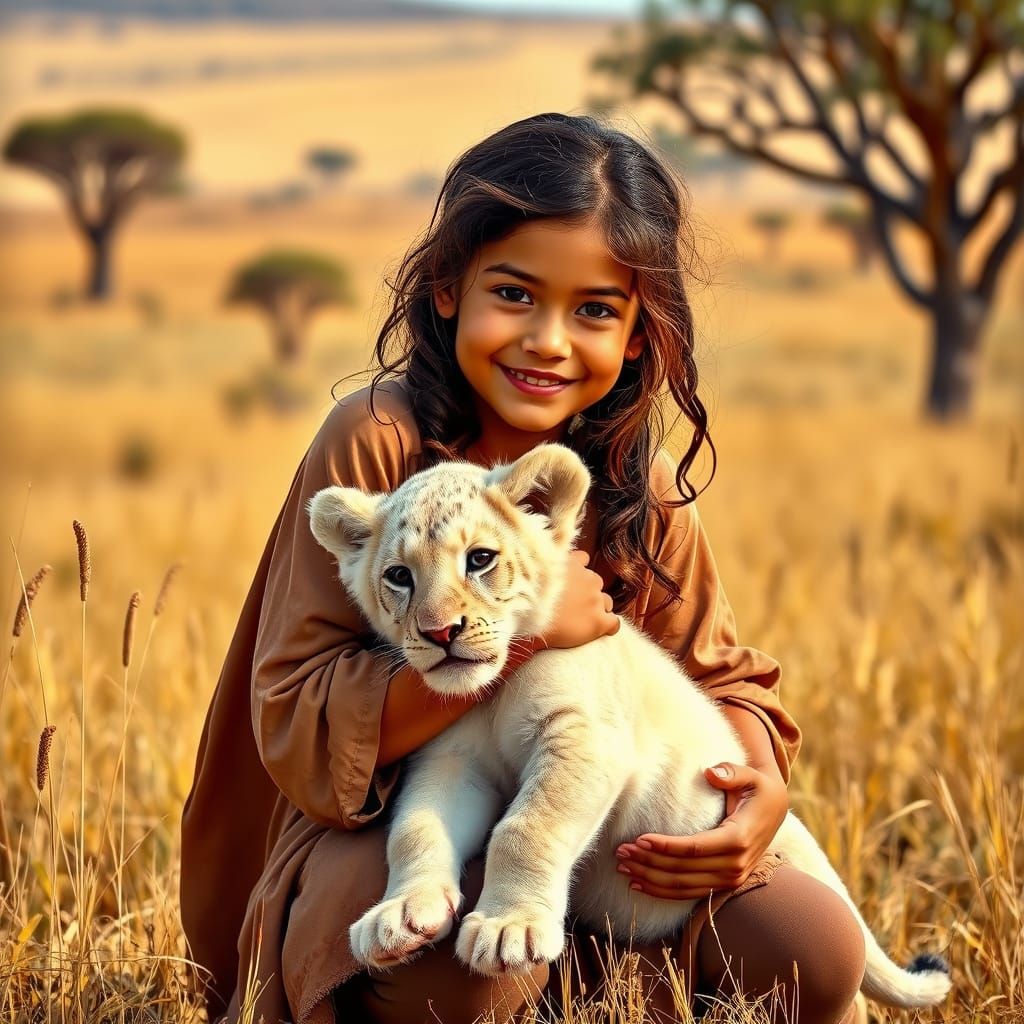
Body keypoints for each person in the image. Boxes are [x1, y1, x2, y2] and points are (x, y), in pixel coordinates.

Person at [180, 113, 867, 1024]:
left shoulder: (637, 482)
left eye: (593, 310)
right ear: (445, 289)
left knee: (815, 952)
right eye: (515, 293)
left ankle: (575, 985)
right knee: (456, 974)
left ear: (636, 332)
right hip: (391, 824)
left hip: (595, 835)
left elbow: (720, 678)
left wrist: (757, 796)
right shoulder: (377, 443)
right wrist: (525, 631)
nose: (547, 340)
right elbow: (294, 706)